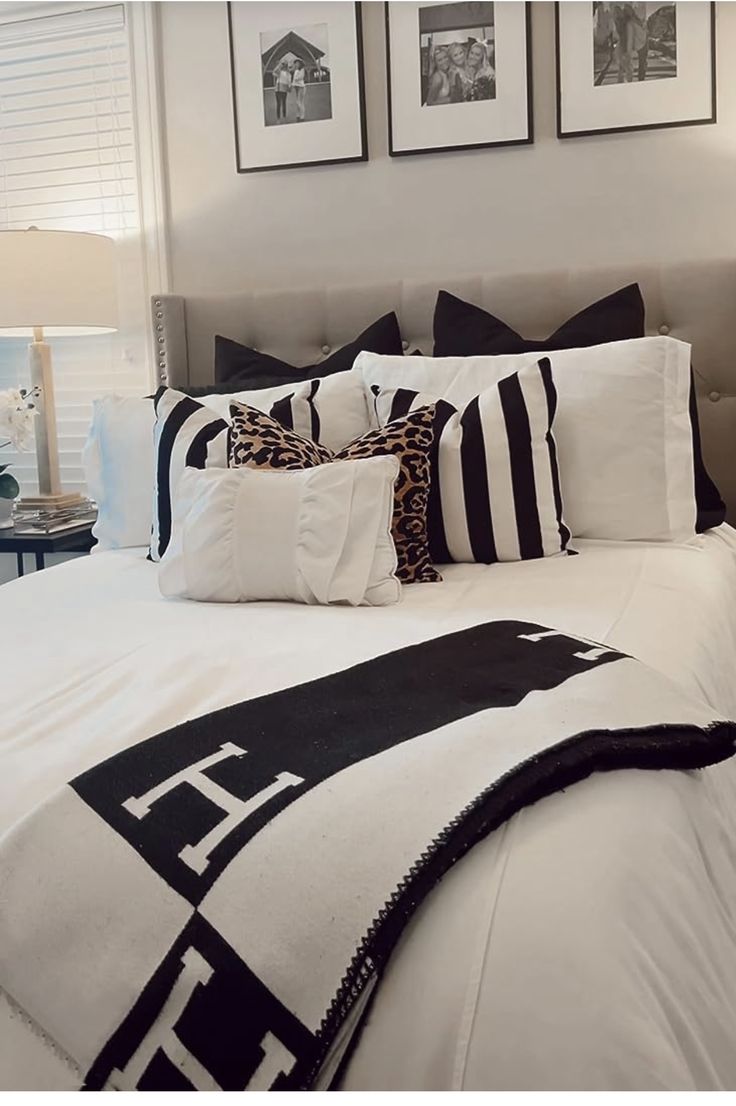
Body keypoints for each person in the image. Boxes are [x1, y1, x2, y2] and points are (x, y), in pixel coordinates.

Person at [292, 57, 307, 122]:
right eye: (295, 63)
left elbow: (300, 77)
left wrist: (295, 79)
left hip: (301, 87)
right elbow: (294, 80)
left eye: (297, 63)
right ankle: (298, 115)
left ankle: (302, 116)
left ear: (300, 64)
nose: (296, 64)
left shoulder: (302, 69)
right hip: (297, 87)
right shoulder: (296, 70)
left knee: (299, 102)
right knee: (298, 102)